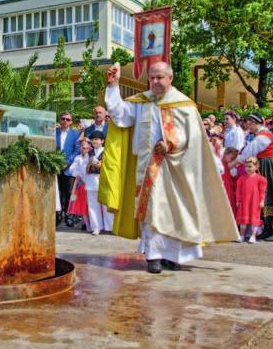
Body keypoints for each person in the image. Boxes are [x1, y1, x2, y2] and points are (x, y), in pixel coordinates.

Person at [100, 62, 239, 274]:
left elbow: (193, 137)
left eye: (160, 78)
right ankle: (153, 255)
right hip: (148, 166)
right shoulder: (141, 102)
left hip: (177, 167)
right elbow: (120, 115)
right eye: (152, 78)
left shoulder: (184, 105)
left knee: (177, 211)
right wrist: (113, 86)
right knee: (152, 209)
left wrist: (171, 144)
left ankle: (172, 255)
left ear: (170, 78)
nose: (155, 82)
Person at [229, 113, 273, 241]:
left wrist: (234, 163)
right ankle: (268, 229)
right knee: (265, 196)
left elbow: (249, 151)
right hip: (263, 165)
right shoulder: (260, 136)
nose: (247, 126)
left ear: (255, 123)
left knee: (272, 194)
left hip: (269, 166)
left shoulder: (264, 136)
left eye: (249, 123)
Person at [81, 130, 113, 235]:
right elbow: (83, 167)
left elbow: (111, 166)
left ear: (102, 141)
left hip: (103, 180)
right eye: (92, 139)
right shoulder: (89, 153)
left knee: (105, 205)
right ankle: (96, 227)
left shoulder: (107, 151)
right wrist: (89, 164)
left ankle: (109, 227)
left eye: (96, 139)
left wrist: (101, 165)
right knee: (93, 205)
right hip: (91, 180)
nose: (94, 141)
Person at [55, 111, 80, 225]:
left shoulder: (75, 134)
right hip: (56, 168)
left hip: (69, 169)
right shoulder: (54, 133)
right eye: (63, 118)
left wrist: (68, 163)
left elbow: (77, 150)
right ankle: (58, 216)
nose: (65, 121)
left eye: (68, 119)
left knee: (69, 193)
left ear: (71, 122)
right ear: (60, 120)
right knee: (58, 193)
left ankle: (69, 216)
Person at [235, 157, 267, 243]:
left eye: (250, 166)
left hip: (255, 202)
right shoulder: (241, 179)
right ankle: (242, 235)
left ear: (256, 167)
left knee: (254, 218)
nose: (247, 168)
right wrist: (238, 200)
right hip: (244, 202)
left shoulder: (260, 179)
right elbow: (238, 191)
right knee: (243, 220)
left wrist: (261, 201)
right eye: (246, 166)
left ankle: (253, 236)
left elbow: (262, 191)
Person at [68, 138, 91, 232]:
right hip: (82, 184)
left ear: (89, 147)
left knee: (90, 205)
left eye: (86, 147)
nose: (84, 149)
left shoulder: (91, 157)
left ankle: (88, 223)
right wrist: (77, 174)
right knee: (82, 205)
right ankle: (86, 223)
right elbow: (72, 168)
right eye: (82, 147)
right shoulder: (78, 158)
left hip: (90, 183)